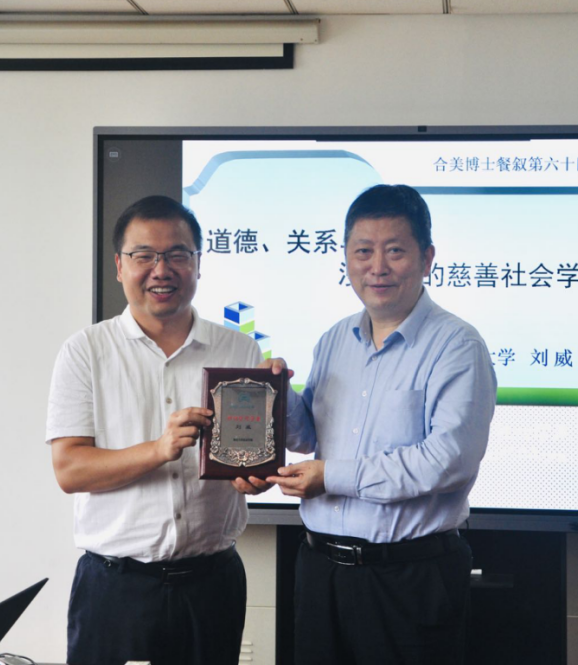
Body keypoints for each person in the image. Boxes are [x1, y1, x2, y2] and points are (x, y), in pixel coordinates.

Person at [264, 184, 498, 665]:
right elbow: (309, 435)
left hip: (409, 579)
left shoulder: (457, 345)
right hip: (320, 572)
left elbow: (448, 461)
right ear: (346, 258)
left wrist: (332, 476)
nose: (377, 267)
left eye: (395, 251)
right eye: (363, 251)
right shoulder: (334, 339)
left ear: (427, 258)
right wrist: (275, 398)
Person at [46, 195, 265, 665]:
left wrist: (254, 475)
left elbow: (249, 457)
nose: (161, 270)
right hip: (115, 588)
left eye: (177, 254)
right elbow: (70, 470)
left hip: (212, 584)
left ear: (199, 263)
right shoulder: (85, 352)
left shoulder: (240, 350)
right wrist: (159, 449)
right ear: (119, 266)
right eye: (143, 255)